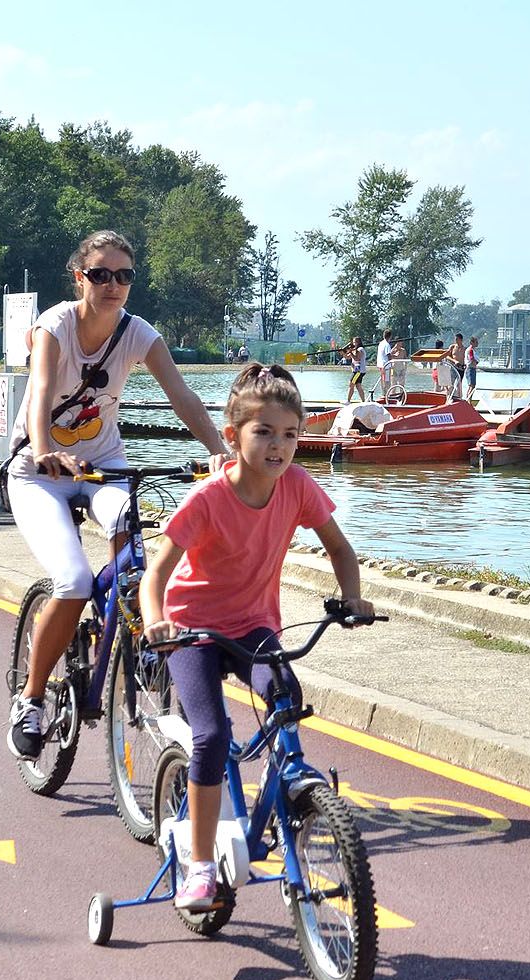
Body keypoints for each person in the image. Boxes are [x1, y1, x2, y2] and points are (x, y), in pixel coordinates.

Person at [139, 363, 373, 910]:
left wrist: (353, 597)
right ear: (232, 436)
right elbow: (157, 573)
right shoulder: (208, 499)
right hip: (193, 628)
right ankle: (199, 866)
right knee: (212, 734)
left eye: (290, 434)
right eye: (263, 432)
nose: (278, 446)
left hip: (255, 625)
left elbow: (340, 549)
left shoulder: (297, 487)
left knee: (285, 700)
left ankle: (285, 793)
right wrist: (156, 620)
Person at [5, 229, 230, 761]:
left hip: (106, 469)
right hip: (38, 471)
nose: (113, 285)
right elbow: (39, 389)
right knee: (75, 578)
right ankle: (31, 699)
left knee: (137, 559)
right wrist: (44, 449)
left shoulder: (139, 334)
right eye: (101, 274)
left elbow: (182, 395)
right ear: (79, 276)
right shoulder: (55, 325)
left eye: (124, 276)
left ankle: (127, 633)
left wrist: (223, 452)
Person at [344, 337, 367, 402]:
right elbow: (347, 357)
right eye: (353, 342)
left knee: (351, 384)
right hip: (357, 371)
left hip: (358, 371)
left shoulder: (360, 349)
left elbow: (357, 359)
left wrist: (350, 352)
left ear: (358, 342)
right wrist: (343, 352)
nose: (353, 344)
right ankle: (363, 401)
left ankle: (348, 401)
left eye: (355, 342)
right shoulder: (355, 350)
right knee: (358, 385)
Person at [445, 332, 465, 398]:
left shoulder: (464, 349)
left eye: (457, 339)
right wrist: (455, 361)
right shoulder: (452, 347)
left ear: (461, 340)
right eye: (455, 339)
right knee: (450, 384)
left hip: (461, 368)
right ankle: (449, 396)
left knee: (459, 384)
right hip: (453, 367)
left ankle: (459, 398)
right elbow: (447, 356)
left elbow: (466, 359)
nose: (456, 341)